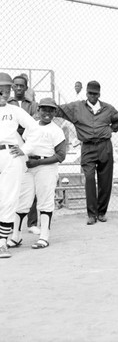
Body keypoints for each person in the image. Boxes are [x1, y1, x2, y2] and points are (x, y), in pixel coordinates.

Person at [55, 81, 118, 225]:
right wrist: (43, 106)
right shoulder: (76, 107)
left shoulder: (108, 108)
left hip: (105, 146)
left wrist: (111, 129)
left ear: (99, 94)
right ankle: (92, 214)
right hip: (88, 147)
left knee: (105, 181)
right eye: (90, 93)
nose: (92, 96)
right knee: (90, 179)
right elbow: (59, 110)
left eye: (95, 94)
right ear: (86, 93)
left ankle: (102, 212)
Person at [8, 98, 66, 249]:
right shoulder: (31, 127)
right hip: (28, 165)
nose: (47, 112)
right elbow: (25, 144)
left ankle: (44, 237)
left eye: (50, 110)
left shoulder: (56, 130)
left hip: (45, 166)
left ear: (55, 112)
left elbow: (61, 156)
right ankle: (16, 237)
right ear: (38, 110)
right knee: (22, 202)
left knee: (45, 201)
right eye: (44, 109)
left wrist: (38, 162)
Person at [0, 72, 38, 258]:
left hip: (10, 154)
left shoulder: (15, 110)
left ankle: (2, 243)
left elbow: (35, 129)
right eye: (2, 90)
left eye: (8, 90)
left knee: (9, 198)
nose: (5, 94)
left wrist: (26, 149)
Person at [8, 73, 40, 235]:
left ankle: (32, 222)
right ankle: (12, 223)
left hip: (28, 146)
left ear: (26, 88)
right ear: (12, 87)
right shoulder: (7, 103)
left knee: (31, 184)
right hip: (12, 147)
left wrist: (21, 128)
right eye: (16, 85)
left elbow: (34, 123)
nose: (19, 88)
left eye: (22, 86)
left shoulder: (33, 105)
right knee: (12, 185)